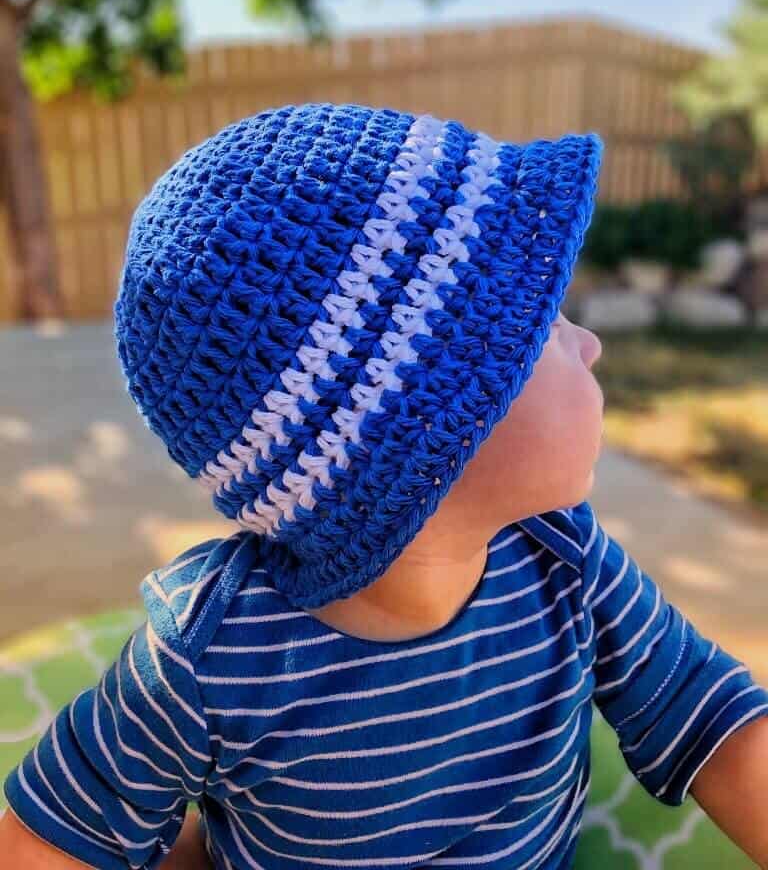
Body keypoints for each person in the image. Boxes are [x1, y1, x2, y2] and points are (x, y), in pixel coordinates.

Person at [2, 102, 767, 870]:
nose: (589, 343)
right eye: (545, 323)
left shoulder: (564, 558)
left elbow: (718, 728)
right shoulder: (209, 660)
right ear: (433, 419)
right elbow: (42, 842)